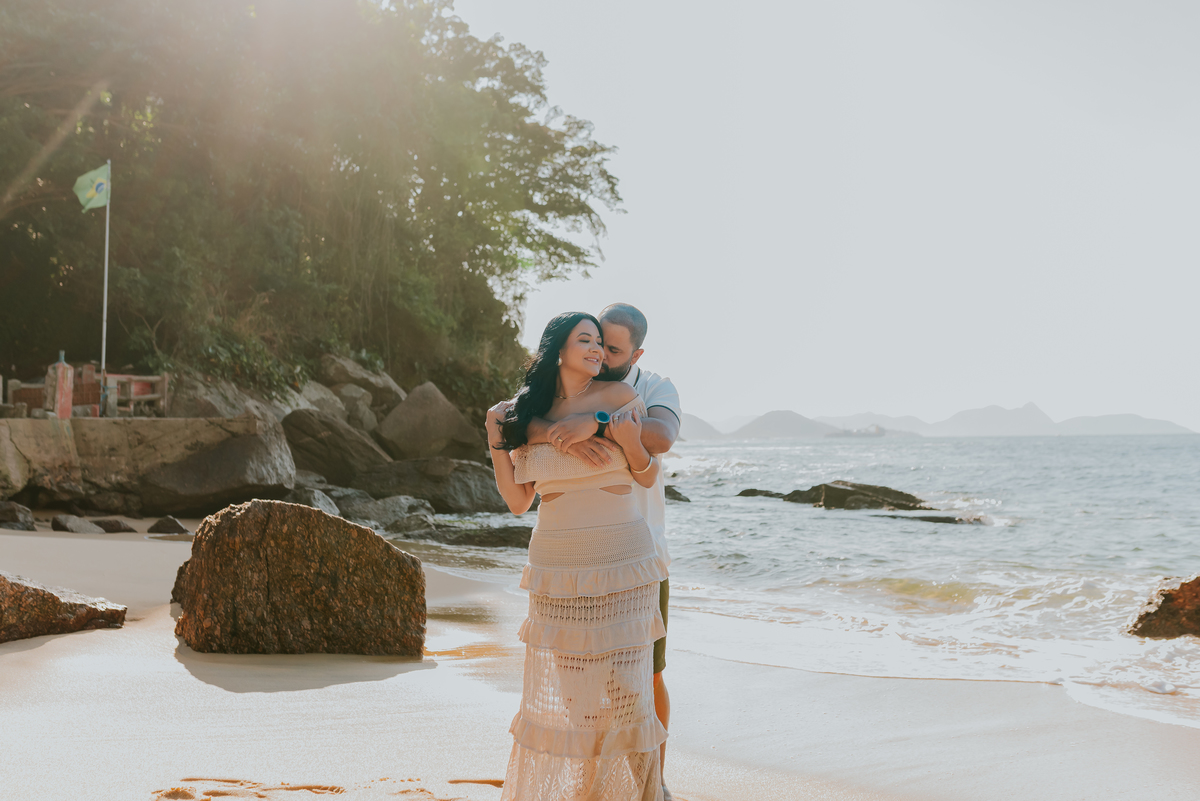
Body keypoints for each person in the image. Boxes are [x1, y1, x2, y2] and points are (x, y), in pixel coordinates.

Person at [487, 311, 668, 801]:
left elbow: (648, 473)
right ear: (558, 350)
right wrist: (496, 440)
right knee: (574, 696)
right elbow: (519, 501)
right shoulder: (523, 413)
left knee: (629, 692)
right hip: (556, 563)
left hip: (622, 558)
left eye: (600, 342)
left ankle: (644, 794)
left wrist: (610, 429)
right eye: (585, 340)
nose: (596, 350)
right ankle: (586, 792)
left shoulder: (617, 397)